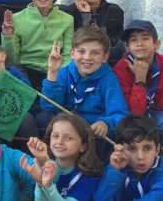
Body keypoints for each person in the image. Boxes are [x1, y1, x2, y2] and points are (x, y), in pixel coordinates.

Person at [41, 26, 130, 157]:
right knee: (43, 118)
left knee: (104, 141)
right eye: (81, 51)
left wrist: (106, 122)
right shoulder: (65, 72)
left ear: (105, 57)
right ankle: (51, 160)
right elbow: (49, 107)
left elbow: (120, 114)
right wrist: (52, 73)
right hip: (66, 128)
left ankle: (92, 170)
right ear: (72, 53)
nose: (87, 57)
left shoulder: (109, 79)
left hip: (91, 130)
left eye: (95, 53)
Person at [114, 20, 163, 144]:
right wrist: (140, 80)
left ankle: (157, 147)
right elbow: (135, 113)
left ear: (156, 44)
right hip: (129, 117)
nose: (139, 43)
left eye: (145, 38)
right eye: (133, 40)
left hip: (154, 112)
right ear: (127, 47)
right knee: (130, 128)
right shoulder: (121, 68)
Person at [0, 0, 73, 88]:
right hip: (25, 73)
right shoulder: (16, 19)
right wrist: (8, 36)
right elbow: (10, 61)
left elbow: (67, 56)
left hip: (54, 72)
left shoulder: (67, 19)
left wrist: (61, 76)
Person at [59, 0, 126, 63]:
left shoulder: (114, 11)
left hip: (107, 62)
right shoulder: (70, 12)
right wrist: (85, 15)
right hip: (80, 63)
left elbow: (117, 43)